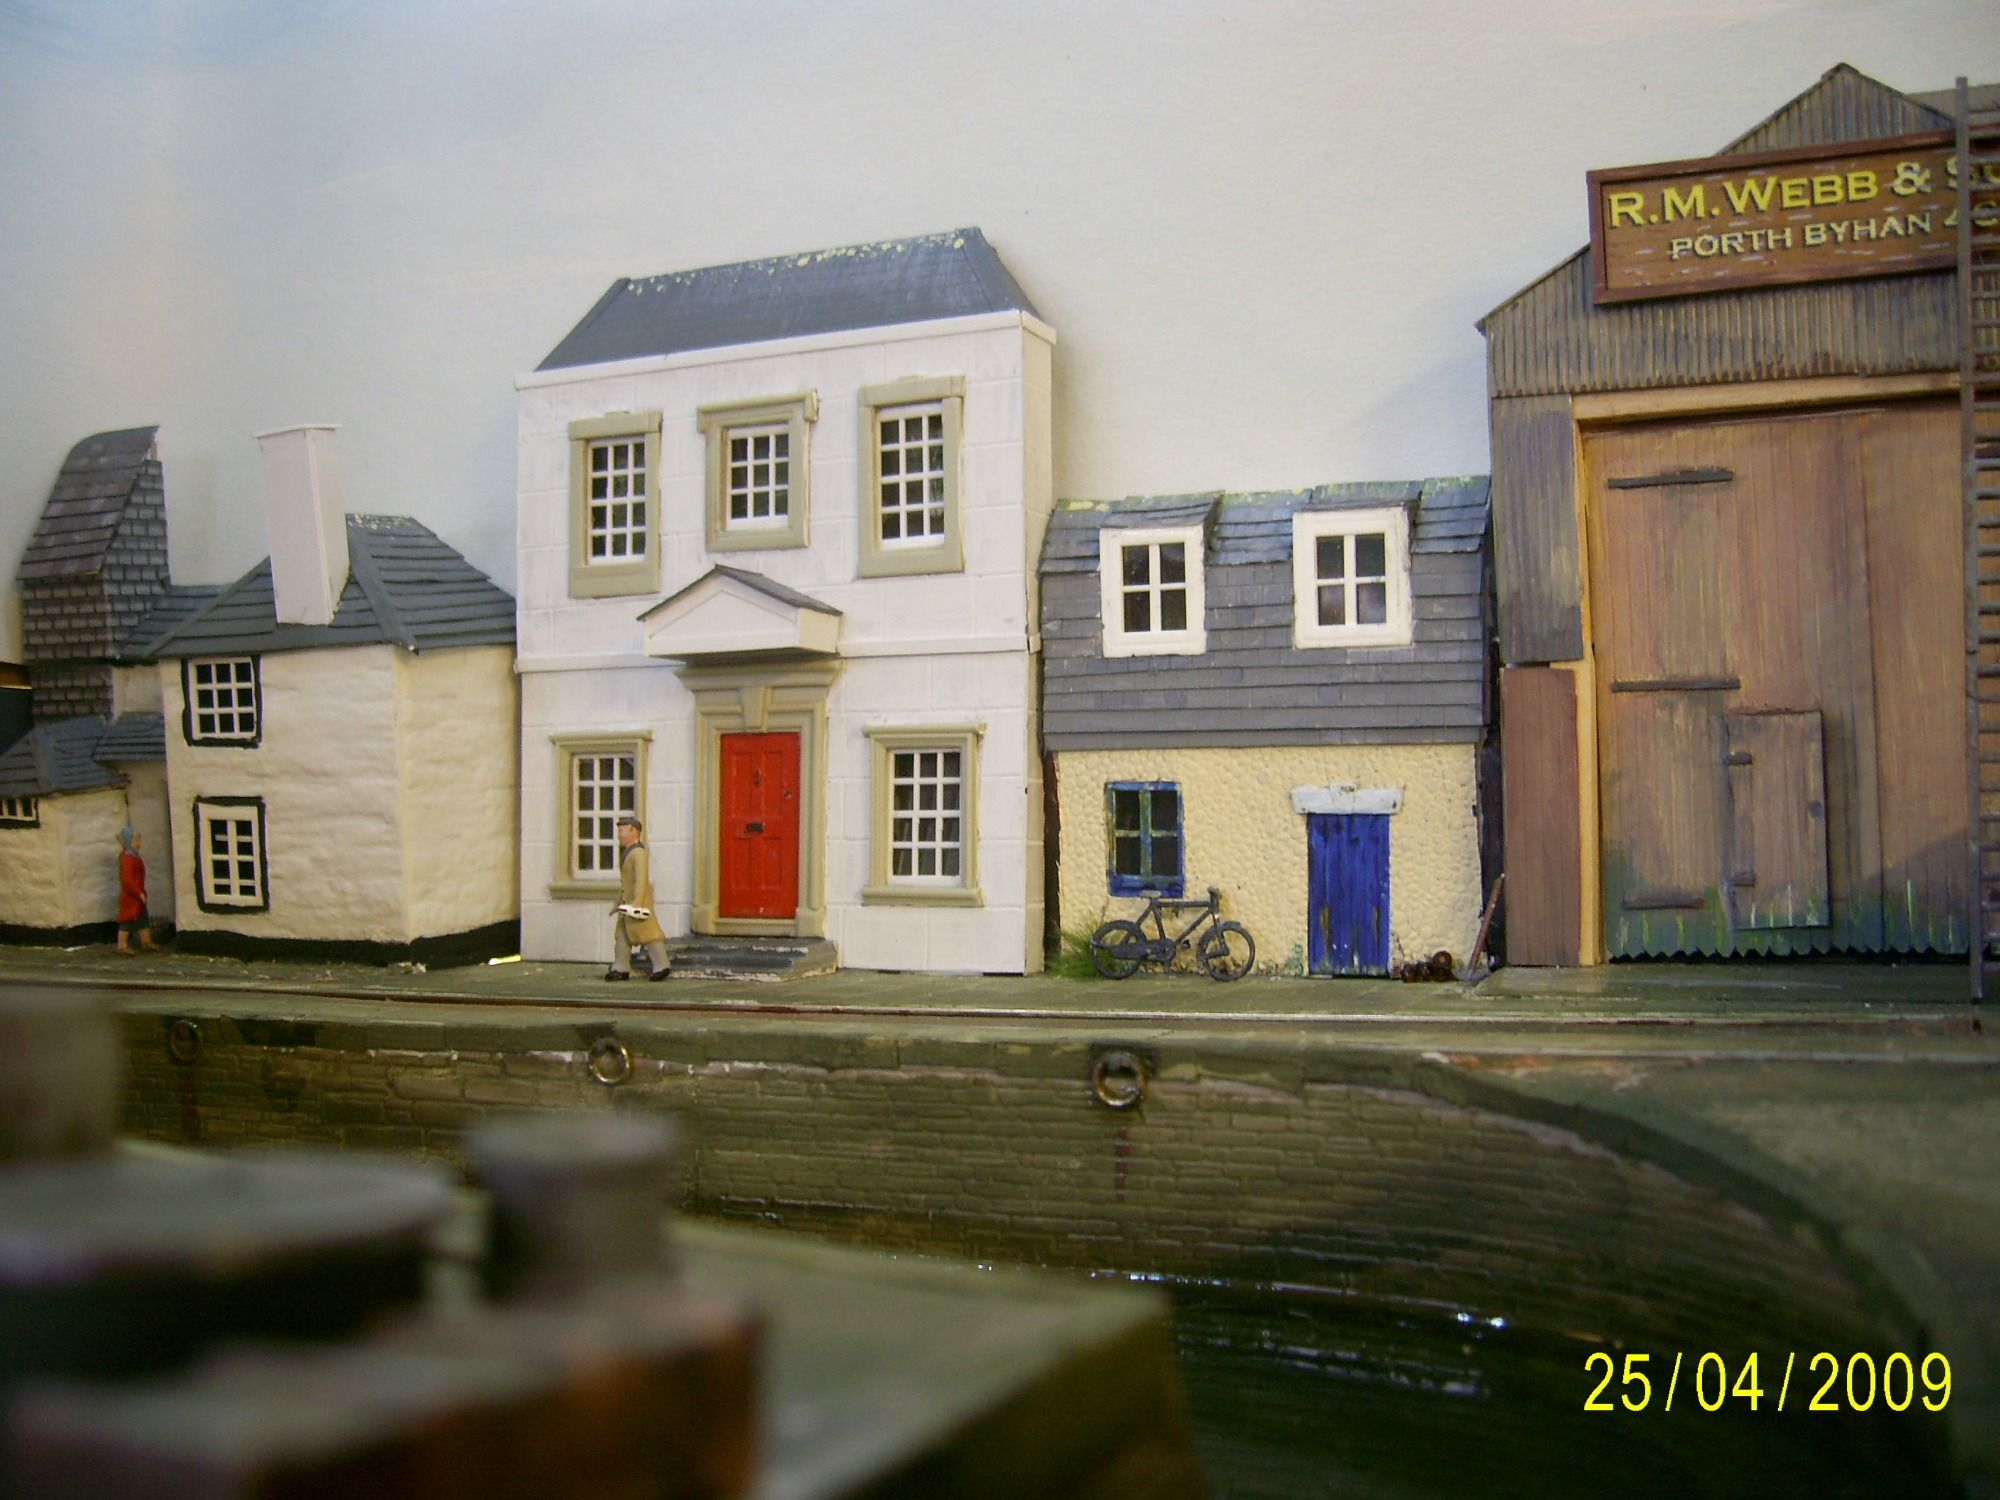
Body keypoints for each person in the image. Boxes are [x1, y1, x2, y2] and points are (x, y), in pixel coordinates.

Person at [608, 814, 670, 981]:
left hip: (638, 903)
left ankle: (662, 965)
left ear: (633, 831)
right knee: (622, 935)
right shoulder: (629, 853)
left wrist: (638, 902)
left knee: (649, 933)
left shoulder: (639, 853)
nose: (619, 835)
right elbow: (625, 883)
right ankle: (620, 967)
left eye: (621, 831)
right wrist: (617, 903)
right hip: (627, 903)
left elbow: (641, 880)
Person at [117, 825, 154, 954]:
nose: (138, 843)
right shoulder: (128, 858)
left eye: (139, 840)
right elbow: (127, 879)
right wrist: (138, 893)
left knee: (143, 918)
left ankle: (146, 942)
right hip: (131, 896)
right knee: (128, 920)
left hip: (138, 894)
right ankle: (122, 945)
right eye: (135, 840)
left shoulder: (134, 856)